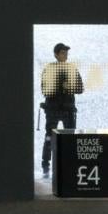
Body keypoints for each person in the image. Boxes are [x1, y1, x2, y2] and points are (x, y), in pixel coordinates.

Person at [39, 41, 84, 178]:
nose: (66, 56)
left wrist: (68, 87)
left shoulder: (72, 69)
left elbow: (80, 88)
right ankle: (46, 167)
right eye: (63, 53)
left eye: (66, 53)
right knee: (49, 138)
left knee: (69, 140)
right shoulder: (49, 69)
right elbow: (45, 90)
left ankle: (69, 166)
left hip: (68, 110)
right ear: (56, 55)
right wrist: (60, 86)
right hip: (53, 109)